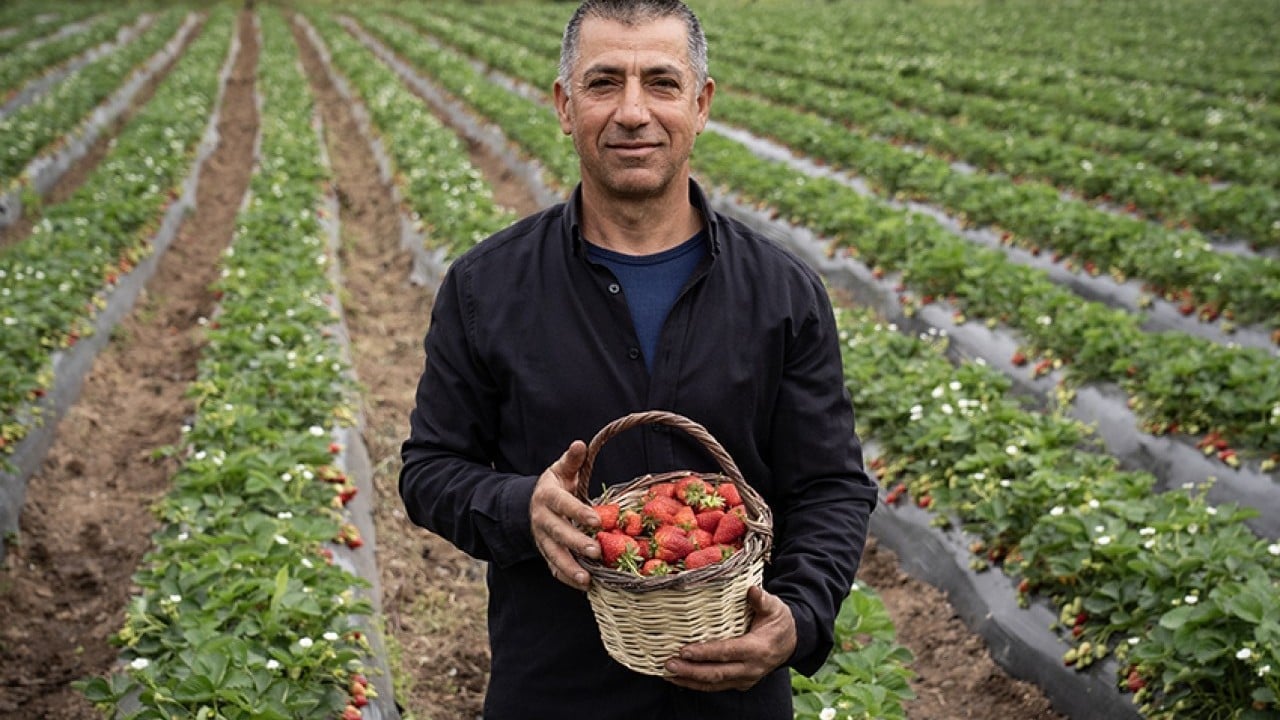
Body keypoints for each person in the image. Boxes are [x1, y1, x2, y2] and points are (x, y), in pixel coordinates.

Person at [399, 1, 878, 717]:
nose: (632, 112)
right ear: (565, 106)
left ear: (701, 103)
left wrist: (800, 618)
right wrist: (519, 505)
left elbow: (830, 486)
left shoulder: (782, 293)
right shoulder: (485, 287)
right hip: (553, 693)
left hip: (736, 695)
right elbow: (429, 469)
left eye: (660, 81)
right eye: (602, 83)